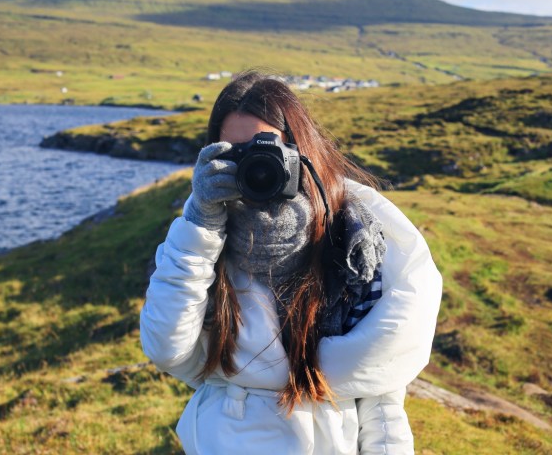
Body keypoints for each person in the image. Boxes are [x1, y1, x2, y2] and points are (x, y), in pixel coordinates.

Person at [140, 70, 442, 454]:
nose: (255, 165)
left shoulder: (354, 241)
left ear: (303, 150)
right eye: (235, 153)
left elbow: (381, 393)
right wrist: (200, 224)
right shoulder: (203, 238)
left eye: (266, 148)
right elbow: (166, 346)